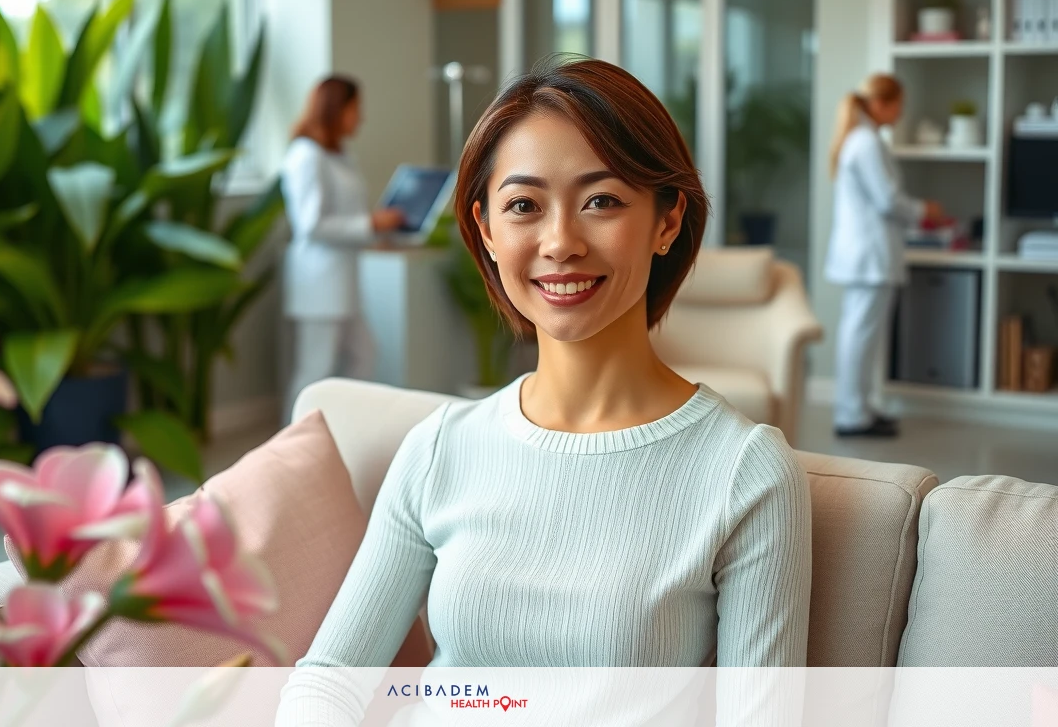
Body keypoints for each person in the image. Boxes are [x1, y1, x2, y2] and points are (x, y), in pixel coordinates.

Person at [276, 59, 811, 724]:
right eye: (524, 206)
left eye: (603, 201)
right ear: (488, 231)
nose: (560, 242)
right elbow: (328, 681)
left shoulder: (745, 472)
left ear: (667, 220)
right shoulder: (440, 450)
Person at [281, 76, 405, 424]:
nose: (360, 118)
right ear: (338, 109)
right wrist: (370, 224)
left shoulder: (339, 153)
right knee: (314, 370)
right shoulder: (306, 156)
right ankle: (293, 445)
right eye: (356, 109)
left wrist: (373, 233)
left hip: (344, 282)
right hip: (318, 283)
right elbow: (312, 224)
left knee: (364, 353)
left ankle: (346, 428)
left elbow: (345, 215)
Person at [824, 73, 942, 438]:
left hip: (866, 253)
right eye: (898, 104)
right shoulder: (866, 143)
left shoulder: (863, 140)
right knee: (860, 335)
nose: (901, 112)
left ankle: (860, 407)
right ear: (880, 103)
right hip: (868, 255)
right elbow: (888, 199)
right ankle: (851, 414)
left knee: (862, 335)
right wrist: (925, 211)